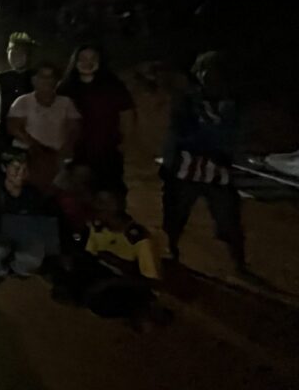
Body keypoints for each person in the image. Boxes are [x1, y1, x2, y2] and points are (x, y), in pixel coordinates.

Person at [161, 51, 246, 272]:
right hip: (186, 172)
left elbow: (229, 137)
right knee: (175, 216)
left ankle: (239, 263)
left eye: (213, 70)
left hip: (215, 172)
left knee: (229, 220)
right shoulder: (187, 100)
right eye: (204, 70)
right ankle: (171, 250)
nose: (208, 75)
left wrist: (205, 140)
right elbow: (180, 134)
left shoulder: (229, 102)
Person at [54, 189, 165, 328]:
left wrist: (110, 277)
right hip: (107, 273)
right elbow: (91, 254)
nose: (95, 209)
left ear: (116, 208)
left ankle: (141, 311)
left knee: (101, 303)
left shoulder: (139, 239)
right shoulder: (99, 225)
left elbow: (153, 283)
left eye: (101, 206)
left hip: (129, 282)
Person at [57, 44, 135, 189]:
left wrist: (125, 142)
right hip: (76, 152)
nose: (87, 62)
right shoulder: (65, 88)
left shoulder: (114, 85)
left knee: (109, 194)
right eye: (83, 58)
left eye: (92, 58)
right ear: (75, 61)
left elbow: (127, 114)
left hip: (108, 150)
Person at [8, 63, 81, 192]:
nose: (46, 81)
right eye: (42, 77)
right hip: (30, 156)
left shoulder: (66, 103)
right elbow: (14, 128)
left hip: (59, 157)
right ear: (34, 80)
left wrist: (64, 149)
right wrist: (37, 148)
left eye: (50, 77)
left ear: (57, 80)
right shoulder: (23, 101)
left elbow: (74, 129)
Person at [0, 149, 57, 277]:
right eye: (16, 168)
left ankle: (16, 268)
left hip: (23, 236)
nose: (21, 173)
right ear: (4, 167)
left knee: (34, 258)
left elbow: (39, 222)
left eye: (25, 169)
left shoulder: (33, 193)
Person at [0, 32, 37, 134]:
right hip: (4, 132)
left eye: (21, 52)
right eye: (13, 52)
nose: (16, 56)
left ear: (28, 55)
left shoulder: (37, 78)